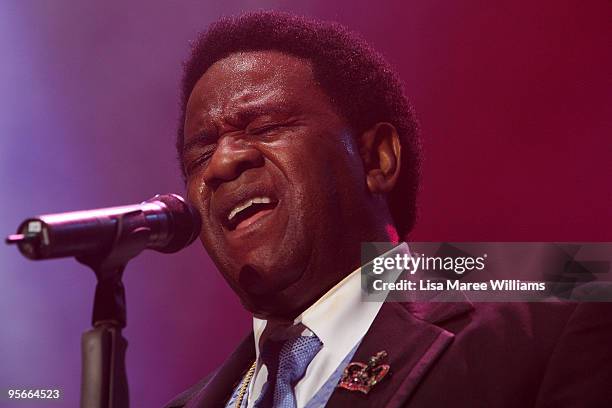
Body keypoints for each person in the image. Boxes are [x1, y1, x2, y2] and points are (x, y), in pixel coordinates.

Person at [165, 11, 612, 408]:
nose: (222, 163)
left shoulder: (559, 303)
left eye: (264, 126)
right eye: (199, 156)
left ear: (378, 158)